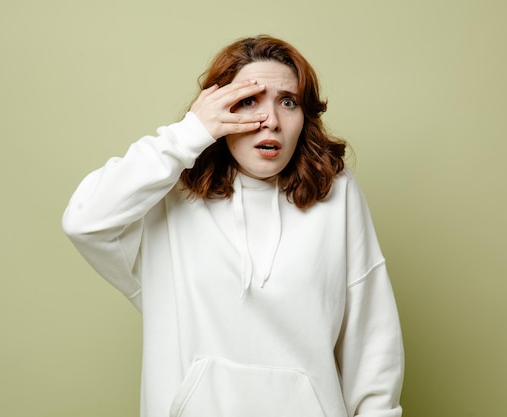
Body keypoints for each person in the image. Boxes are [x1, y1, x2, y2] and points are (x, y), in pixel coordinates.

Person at [62, 35, 404, 417]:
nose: (270, 120)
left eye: (287, 102)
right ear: (218, 110)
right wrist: (189, 134)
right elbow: (84, 221)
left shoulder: (335, 193)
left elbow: (372, 337)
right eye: (248, 101)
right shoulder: (169, 194)